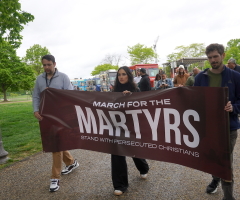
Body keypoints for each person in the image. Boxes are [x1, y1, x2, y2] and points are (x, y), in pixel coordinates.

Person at [194, 43, 240, 200]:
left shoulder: (235, 76)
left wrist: (233, 107)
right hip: (209, 128)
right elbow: (194, 101)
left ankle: (228, 197)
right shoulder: (200, 78)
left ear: (223, 55)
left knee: (225, 161)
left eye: (215, 56)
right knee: (213, 157)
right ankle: (215, 178)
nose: (213, 60)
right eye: (210, 58)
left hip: (228, 127)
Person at [32, 55, 79, 192]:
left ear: (54, 64)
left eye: (49, 65)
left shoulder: (63, 77)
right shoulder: (39, 79)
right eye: (44, 65)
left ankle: (55, 178)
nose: (46, 67)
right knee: (56, 143)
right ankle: (71, 162)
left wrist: (53, 92)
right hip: (46, 117)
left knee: (55, 146)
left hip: (61, 116)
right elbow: (35, 95)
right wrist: (35, 110)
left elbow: (70, 95)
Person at [111, 66, 149, 196]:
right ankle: (120, 185)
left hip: (131, 125)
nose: (121, 77)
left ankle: (143, 167)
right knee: (116, 153)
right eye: (119, 74)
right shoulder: (113, 90)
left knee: (133, 149)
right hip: (117, 126)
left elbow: (140, 106)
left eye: (123, 74)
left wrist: (130, 97)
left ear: (129, 75)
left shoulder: (135, 89)